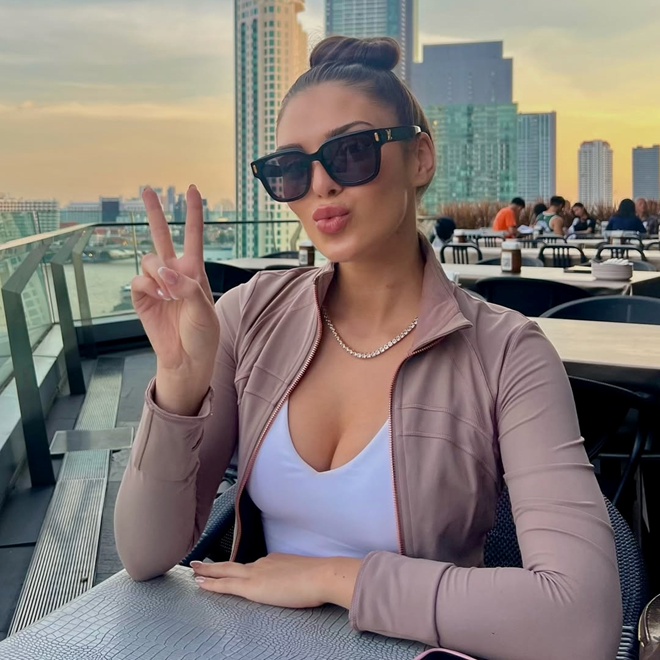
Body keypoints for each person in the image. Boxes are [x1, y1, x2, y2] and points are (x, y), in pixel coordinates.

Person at [115, 36, 621, 660]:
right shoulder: (250, 314)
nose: (320, 185)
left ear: (420, 157)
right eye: (291, 168)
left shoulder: (506, 354)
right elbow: (144, 555)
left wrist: (333, 580)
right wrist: (178, 386)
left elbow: (582, 622)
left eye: (351, 152)